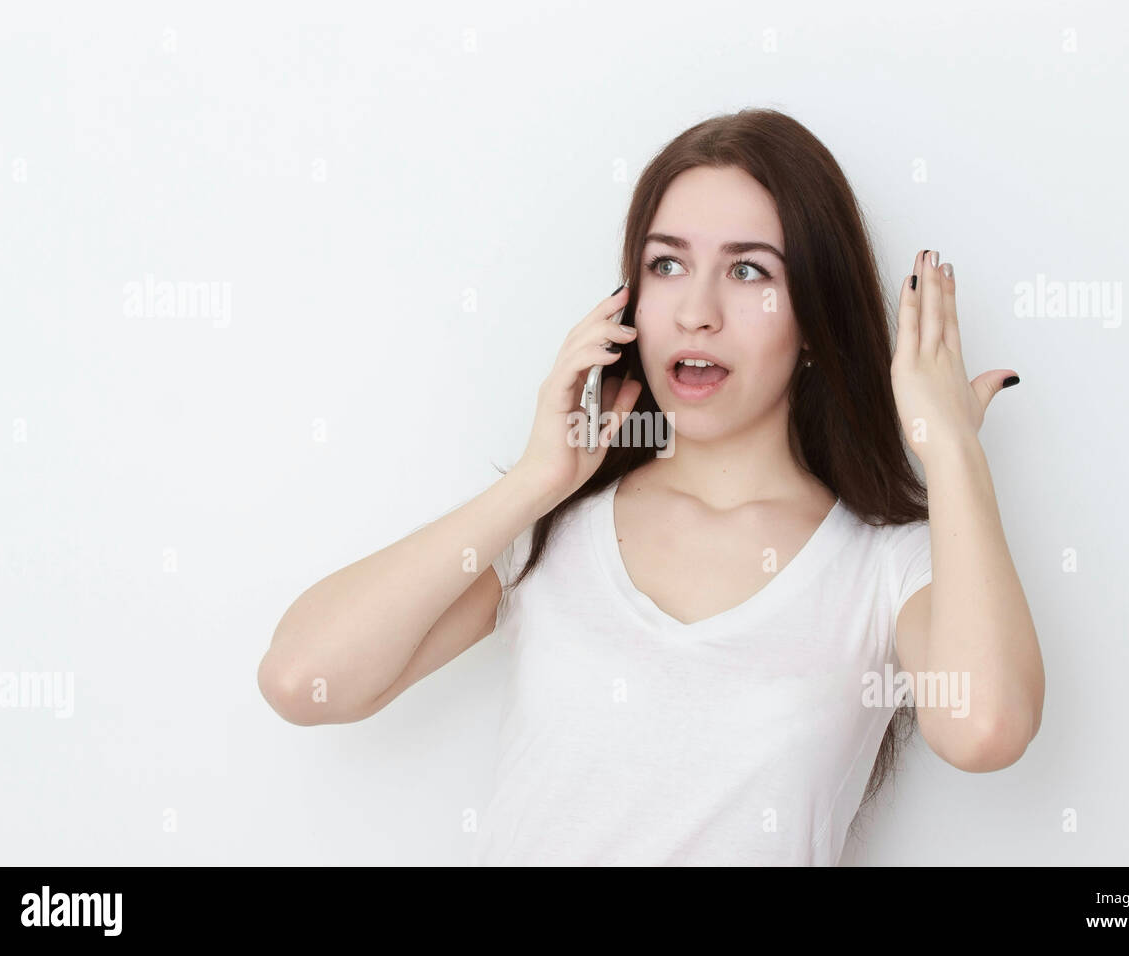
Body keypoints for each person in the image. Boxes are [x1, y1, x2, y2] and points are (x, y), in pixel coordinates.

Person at [257, 108, 1045, 866]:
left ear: (814, 317)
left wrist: (952, 454)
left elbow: (985, 730)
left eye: (747, 271)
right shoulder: (553, 528)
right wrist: (535, 481)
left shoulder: (887, 566)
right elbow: (303, 680)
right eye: (667, 264)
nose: (696, 311)